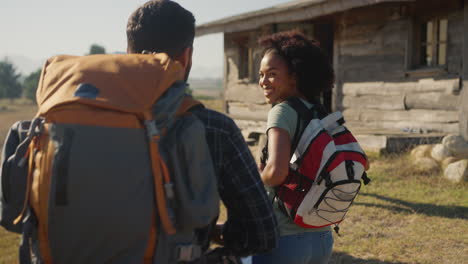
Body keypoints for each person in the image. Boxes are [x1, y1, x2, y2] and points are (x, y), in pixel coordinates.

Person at [126, 0, 279, 260]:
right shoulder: (214, 128)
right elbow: (261, 231)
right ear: (186, 57)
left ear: (128, 52)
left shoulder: (77, 121)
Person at [253, 30, 335, 264]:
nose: (263, 81)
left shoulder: (282, 111)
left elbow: (276, 172)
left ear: (294, 76)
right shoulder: (320, 112)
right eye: (261, 75)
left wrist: (254, 180)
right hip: (322, 237)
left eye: (272, 74)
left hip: (284, 239)